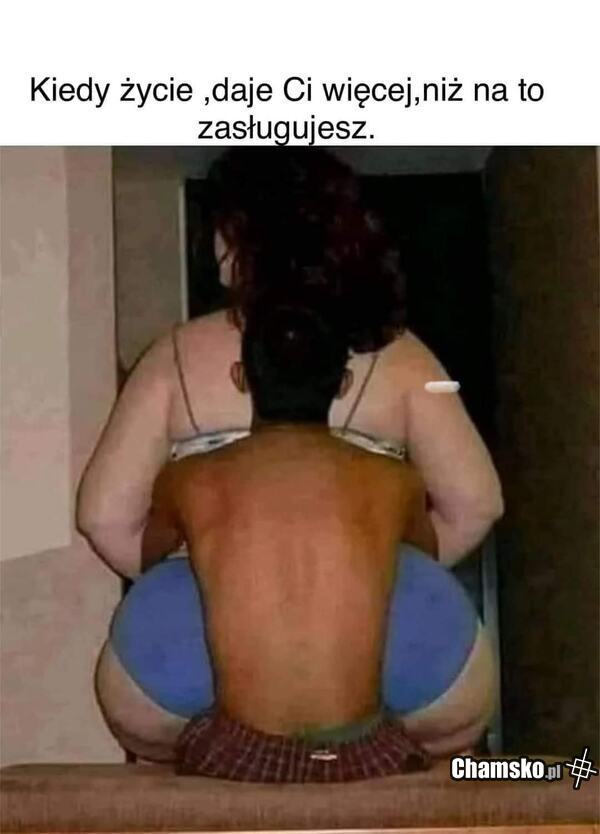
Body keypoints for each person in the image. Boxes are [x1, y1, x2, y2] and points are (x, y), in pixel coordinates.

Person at [77, 149, 503, 581]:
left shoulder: (175, 353)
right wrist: (391, 582)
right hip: (356, 604)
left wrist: (184, 589)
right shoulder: (402, 355)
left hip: (214, 607)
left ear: (241, 231)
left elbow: (103, 518)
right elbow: (476, 505)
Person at [128, 302, 447, 781]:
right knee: (444, 758)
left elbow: (149, 563)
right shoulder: (396, 481)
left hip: (240, 754)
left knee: (176, 747)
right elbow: (426, 569)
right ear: (343, 385)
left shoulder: (189, 479)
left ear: (241, 378)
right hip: (361, 754)